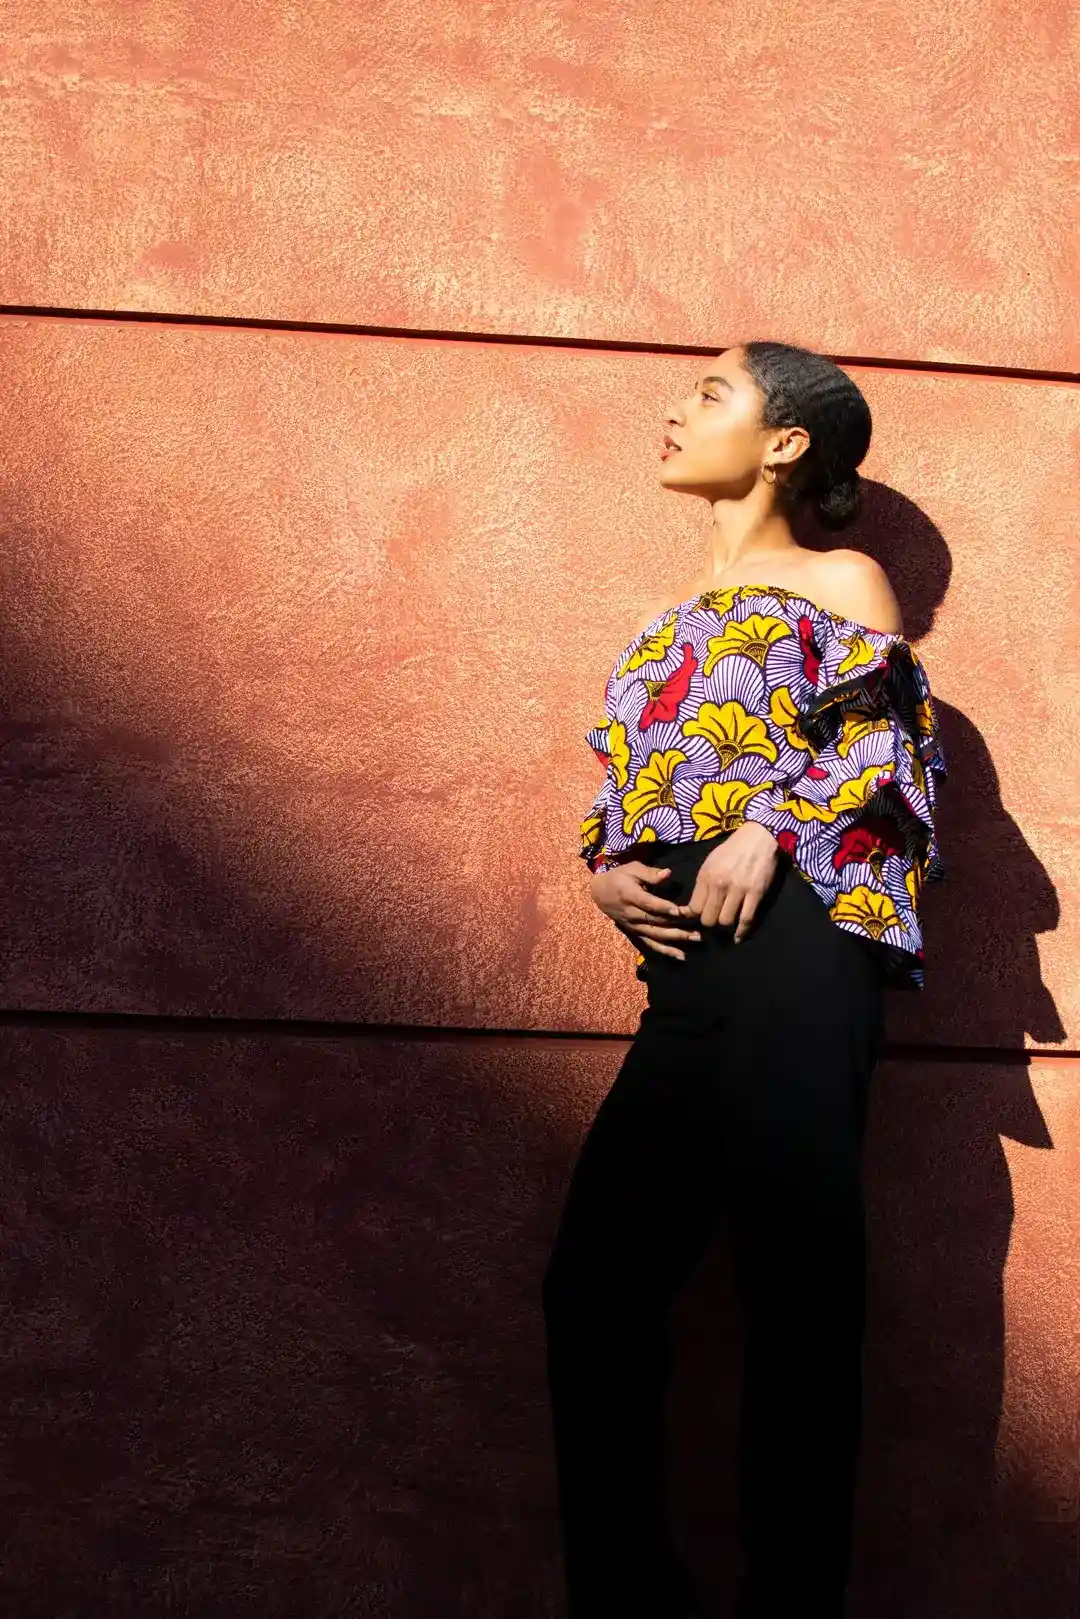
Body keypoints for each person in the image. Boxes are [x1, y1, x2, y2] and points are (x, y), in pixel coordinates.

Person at [541, 342, 947, 1619]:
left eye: (710, 393)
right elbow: (642, 784)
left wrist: (772, 830)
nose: (675, 408)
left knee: (796, 1276)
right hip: (689, 962)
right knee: (594, 1283)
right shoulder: (665, 619)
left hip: (801, 931)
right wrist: (605, 865)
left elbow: (879, 738)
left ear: (785, 443)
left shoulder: (842, 575)